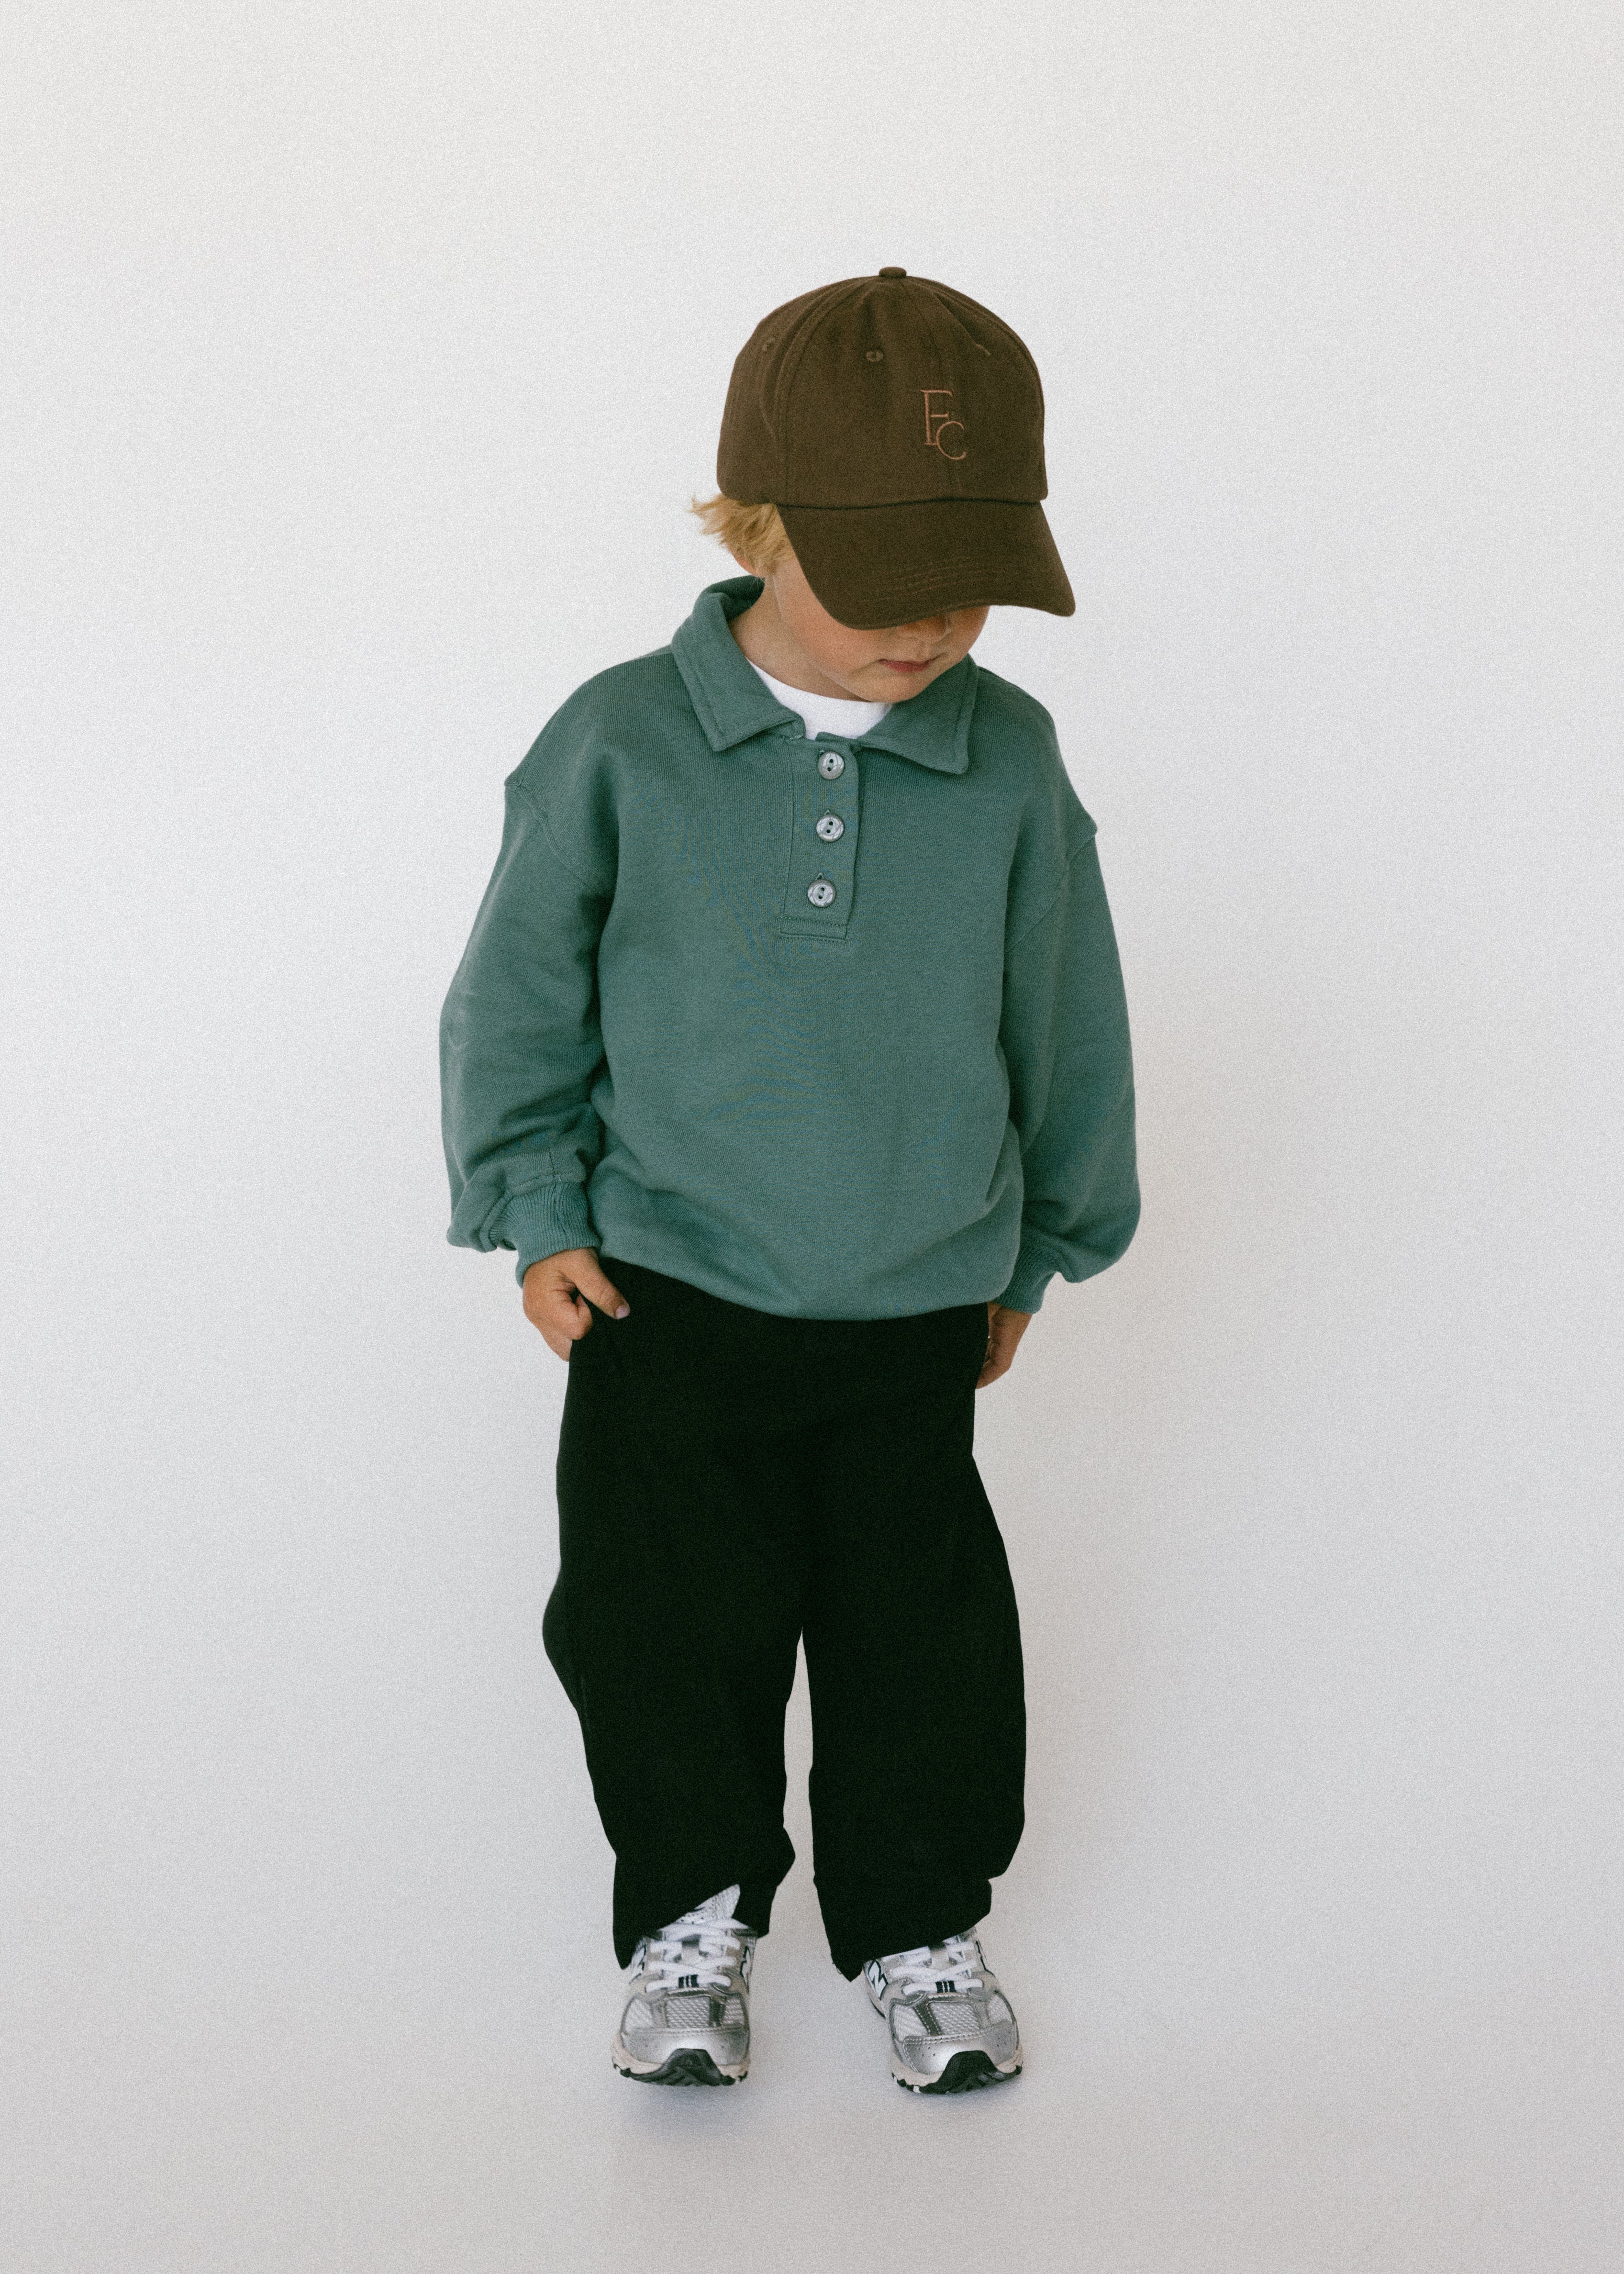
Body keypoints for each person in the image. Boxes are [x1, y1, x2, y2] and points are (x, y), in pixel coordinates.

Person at [439, 268, 1139, 2095]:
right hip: (666, 1285)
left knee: (921, 1642)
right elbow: (518, 990)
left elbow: (1062, 1007)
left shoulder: (1007, 755)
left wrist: (1039, 1249)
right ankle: (692, 1916)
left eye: (966, 580)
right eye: (883, 578)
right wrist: (536, 1210)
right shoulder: (622, 738)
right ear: (757, 525)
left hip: (916, 1293)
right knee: (663, 1631)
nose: (929, 624)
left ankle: (916, 1923)